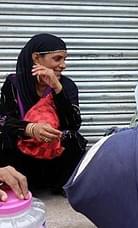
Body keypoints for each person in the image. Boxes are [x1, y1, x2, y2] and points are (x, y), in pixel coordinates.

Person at [0, 33, 85, 193]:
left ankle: (59, 184)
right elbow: (3, 120)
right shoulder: (14, 85)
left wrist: (57, 88)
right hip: (24, 155)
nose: (63, 65)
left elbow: (74, 123)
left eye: (64, 59)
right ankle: (15, 181)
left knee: (73, 138)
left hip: (54, 153)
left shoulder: (66, 85)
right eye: (57, 59)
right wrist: (30, 128)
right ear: (36, 58)